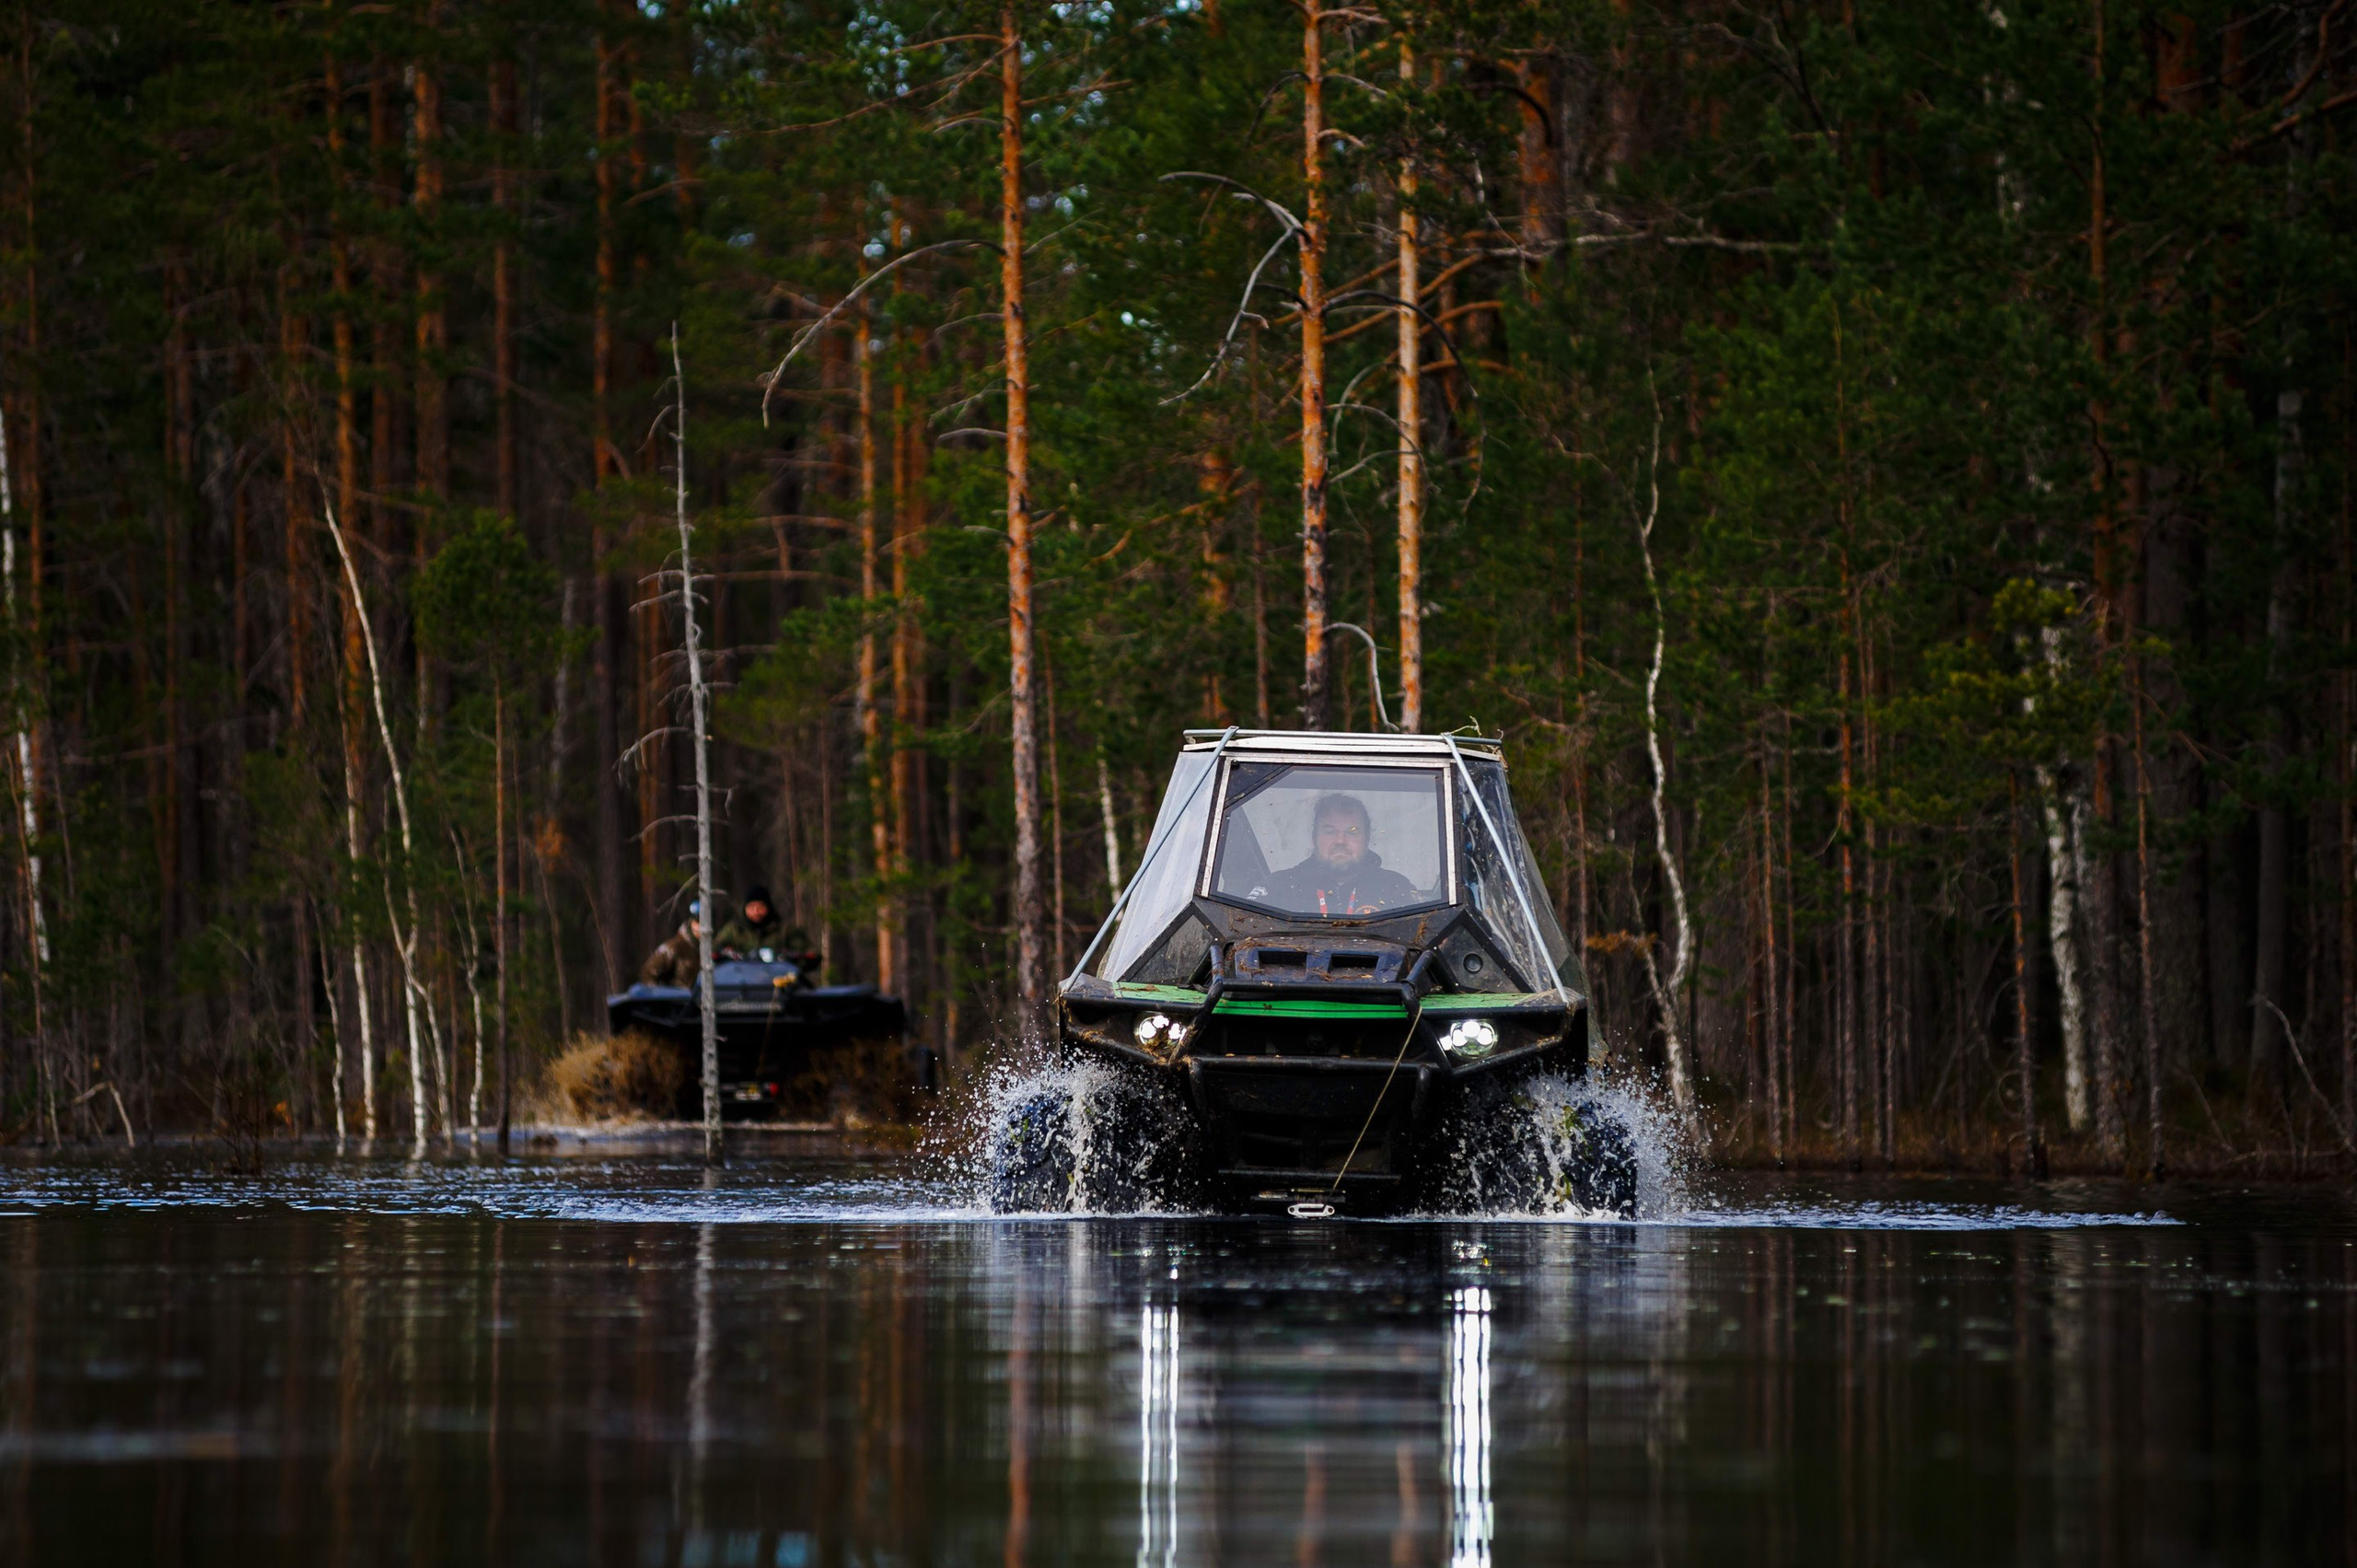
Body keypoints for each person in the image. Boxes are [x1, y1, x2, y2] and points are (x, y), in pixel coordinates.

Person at [1266, 793, 1420, 916]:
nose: (1340, 840)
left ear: (1366, 839)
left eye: (1352, 832)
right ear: (1314, 838)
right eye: (1330, 831)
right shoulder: (1278, 888)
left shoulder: (1396, 888)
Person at [637, 901, 706, 988]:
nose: (702, 927)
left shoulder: (709, 949)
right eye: (698, 921)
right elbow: (647, 973)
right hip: (678, 999)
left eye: (706, 922)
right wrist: (661, 996)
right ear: (691, 922)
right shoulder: (674, 947)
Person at [714, 884, 783, 959]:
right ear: (745, 908)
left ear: (768, 908)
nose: (756, 912)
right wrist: (726, 952)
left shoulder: (782, 931)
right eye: (752, 907)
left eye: (760, 907)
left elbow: (796, 950)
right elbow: (715, 947)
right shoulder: (734, 930)